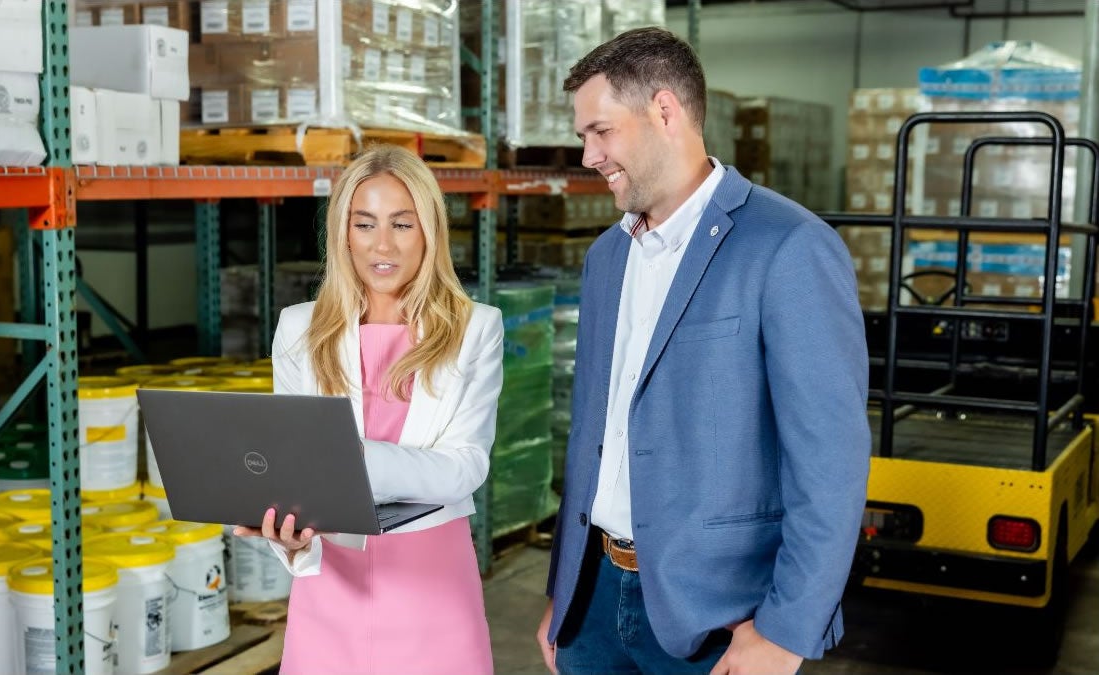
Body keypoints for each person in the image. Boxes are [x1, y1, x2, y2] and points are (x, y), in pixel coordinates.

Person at [535, 27, 871, 675]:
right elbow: (591, 438)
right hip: (593, 601)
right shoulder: (607, 257)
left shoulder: (789, 246)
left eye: (600, 131)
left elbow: (829, 460)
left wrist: (786, 630)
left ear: (665, 111)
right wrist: (563, 589)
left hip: (719, 618)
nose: (587, 155)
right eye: (584, 136)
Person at [233, 145, 503, 675]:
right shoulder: (299, 330)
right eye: (365, 224)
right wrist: (286, 535)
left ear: (428, 232)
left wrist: (344, 459)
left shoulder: (475, 328)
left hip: (433, 584)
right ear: (343, 234)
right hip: (331, 582)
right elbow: (293, 472)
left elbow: (466, 466)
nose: (383, 245)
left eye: (402, 224)